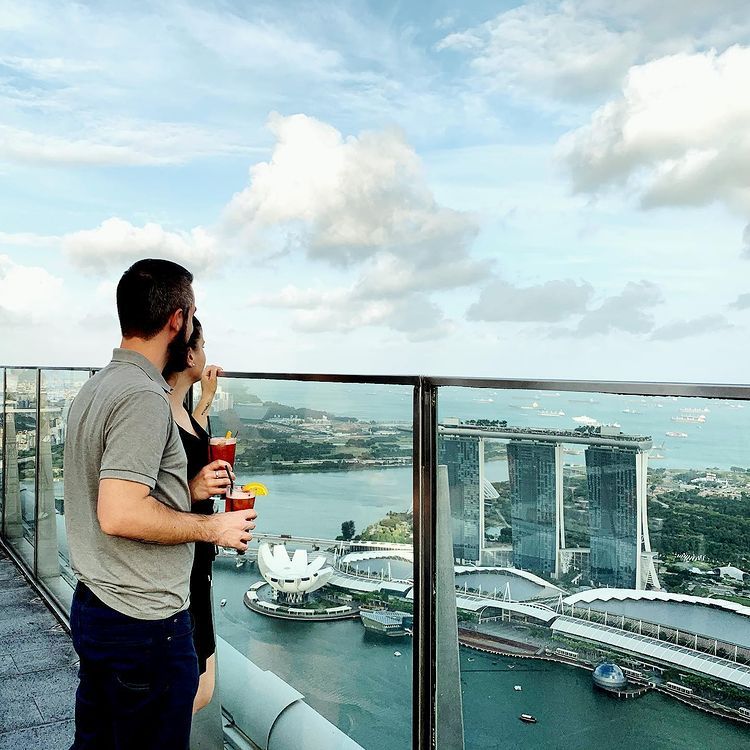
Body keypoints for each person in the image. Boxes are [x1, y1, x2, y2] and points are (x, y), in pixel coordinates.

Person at [64, 258, 256, 750]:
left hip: (97, 603)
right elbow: (120, 511)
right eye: (192, 313)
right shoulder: (142, 397)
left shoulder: (97, 386)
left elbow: (107, 490)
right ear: (178, 318)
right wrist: (212, 529)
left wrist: (187, 492)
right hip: (143, 623)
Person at [163, 317, 226, 713]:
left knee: (202, 683)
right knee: (195, 691)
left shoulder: (179, 408)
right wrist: (195, 489)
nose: (205, 354)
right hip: (181, 556)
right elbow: (148, 500)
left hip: (197, 552)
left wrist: (206, 399)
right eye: (202, 346)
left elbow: (192, 438)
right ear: (189, 354)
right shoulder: (159, 412)